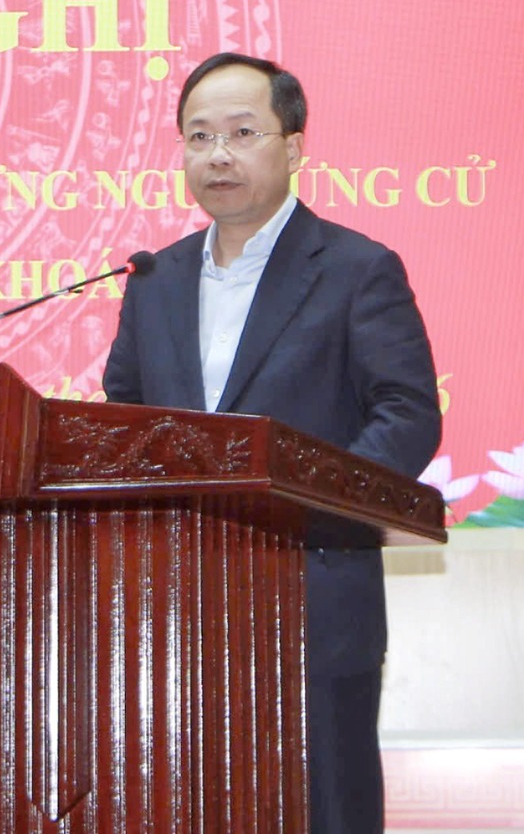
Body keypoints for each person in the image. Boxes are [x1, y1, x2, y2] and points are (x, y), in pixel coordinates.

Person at [101, 52, 442, 834]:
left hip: (314, 599)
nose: (218, 155)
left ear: (293, 147)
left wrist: (307, 507)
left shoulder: (356, 269)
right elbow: (125, 414)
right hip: (179, 613)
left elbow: (407, 415)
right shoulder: (154, 279)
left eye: (242, 133)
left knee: (324, 812)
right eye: (199, 137)